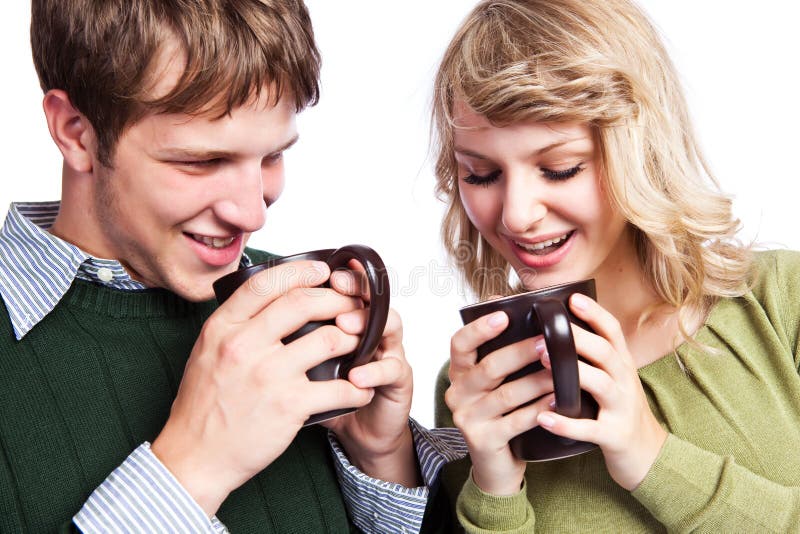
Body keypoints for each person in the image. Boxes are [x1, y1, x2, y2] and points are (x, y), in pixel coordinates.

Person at [0, 1, 465, 532]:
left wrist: (382, 458)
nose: (251, 213)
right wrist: (193, 468)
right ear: (76, 131)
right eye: (203, 161)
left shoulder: (291, 309)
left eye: (271, 156)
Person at [431, 0, 800, 531]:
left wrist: (652, 458)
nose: (516, 214)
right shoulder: (482, 382)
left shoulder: (780, 302)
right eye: (481, 175)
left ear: (640, 152)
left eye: (560, 169)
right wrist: (494, 488)